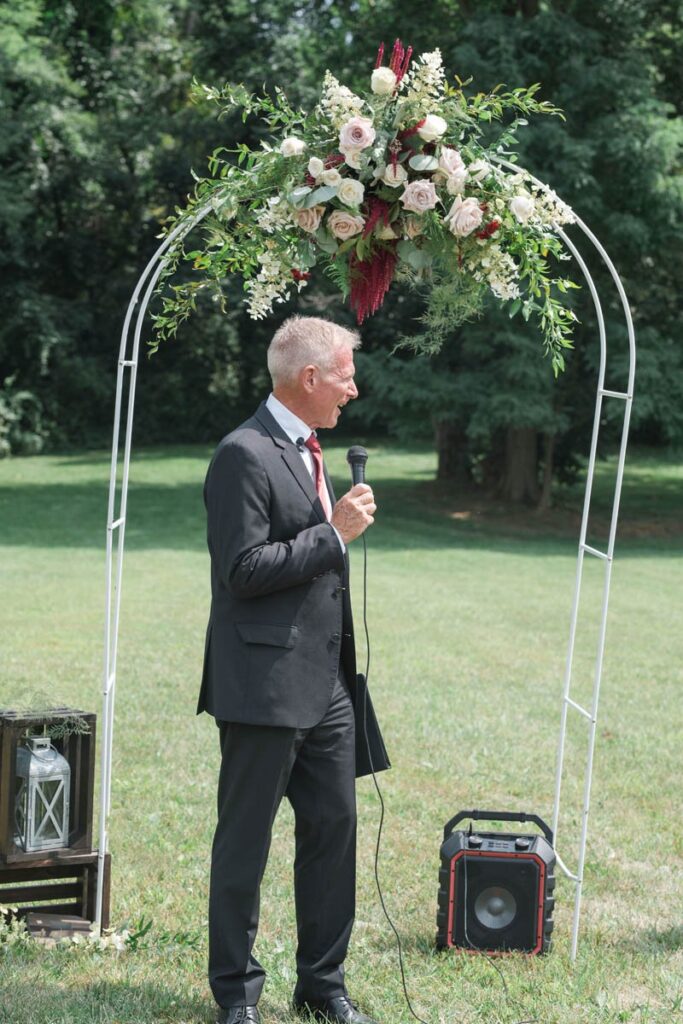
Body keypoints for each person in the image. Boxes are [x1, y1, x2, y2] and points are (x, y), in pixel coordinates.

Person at [198, 316, 383, 1024]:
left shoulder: (309, 445)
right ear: (308, 379)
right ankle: (236, 998)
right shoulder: (241, 454)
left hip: (327, 686)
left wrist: (329, 532)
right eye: (343, 376)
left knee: (333, 834)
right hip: (261, 690)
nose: (352, 390)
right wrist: (332, 533)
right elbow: (242, 572)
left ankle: (322, 986)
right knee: (244, 845)